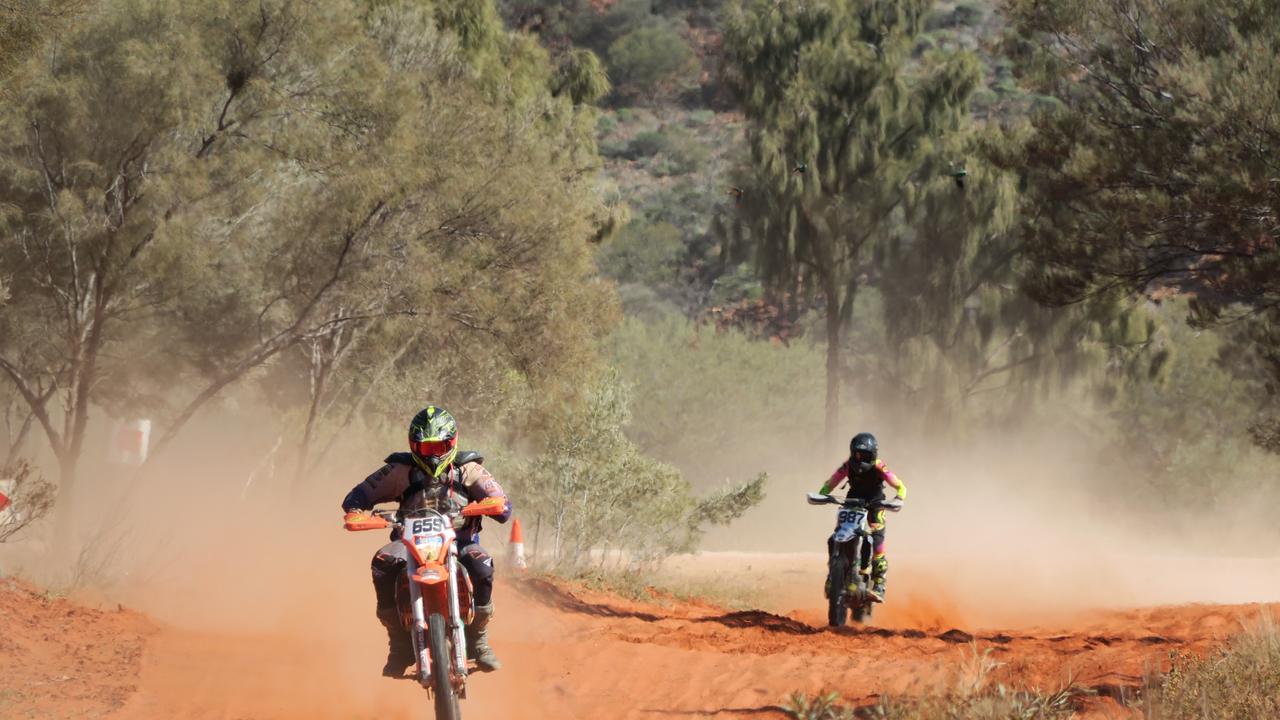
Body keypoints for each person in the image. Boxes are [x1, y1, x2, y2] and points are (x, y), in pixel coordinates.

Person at [342, 406, 511, 676]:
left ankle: (478, 641)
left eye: (439, 446)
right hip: (409, 542)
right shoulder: (400, 470)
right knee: (382, 564)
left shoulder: (468, 469)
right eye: (426, 448)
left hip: (460, 541)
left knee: (482, 566)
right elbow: (357, 496)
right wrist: (356, 511)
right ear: (413, 446)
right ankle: (398, 643)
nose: (433, 454)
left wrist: (493, 505)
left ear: (452, 443)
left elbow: (502, 503)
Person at [817, 432, 906, 603]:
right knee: (837, 534)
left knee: (877, 541)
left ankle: (879, 584)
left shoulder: (880, 467)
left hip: (875, 504)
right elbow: (832, 482)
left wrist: (898, 498)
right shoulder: (847, 466)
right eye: (857, 454)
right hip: (852, 501)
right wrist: (822, 494)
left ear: (873, 454)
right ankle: (832, 575)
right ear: (852, 453)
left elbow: (900, 486)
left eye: (865, 455)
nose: (860, 459)